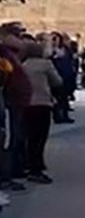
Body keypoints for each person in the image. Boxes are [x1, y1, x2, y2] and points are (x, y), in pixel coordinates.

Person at [22, 37, 62, 184]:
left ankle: (29, 164)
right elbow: (57, 81)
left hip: (26, 104)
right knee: (41, 136)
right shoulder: (45, 64)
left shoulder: (23, 65)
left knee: (30, 136)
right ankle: (36, 168)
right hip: (42, 102)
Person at [0, 22, 32, 192]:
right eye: (16, 34)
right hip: (9, 101)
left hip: (14, 101)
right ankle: (6, 176)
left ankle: (10, 173)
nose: (20, 39)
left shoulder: (11, 53)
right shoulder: (5, 53)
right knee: (8, 139)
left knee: (13, 138)